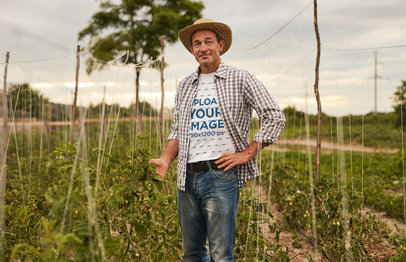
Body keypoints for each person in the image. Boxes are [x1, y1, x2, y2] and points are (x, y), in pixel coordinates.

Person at [149, 18, 285, 261]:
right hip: (187, 177)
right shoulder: (186, 86)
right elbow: (179, 130)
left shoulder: (240, 78)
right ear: (192, 50)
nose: (203, 48)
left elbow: (274, 117)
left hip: (220, 175)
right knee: (192, 253)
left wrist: (247, 153)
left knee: (221, 255)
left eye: (208, 42)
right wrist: (166, 160)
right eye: (197, 43)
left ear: (220, 45)